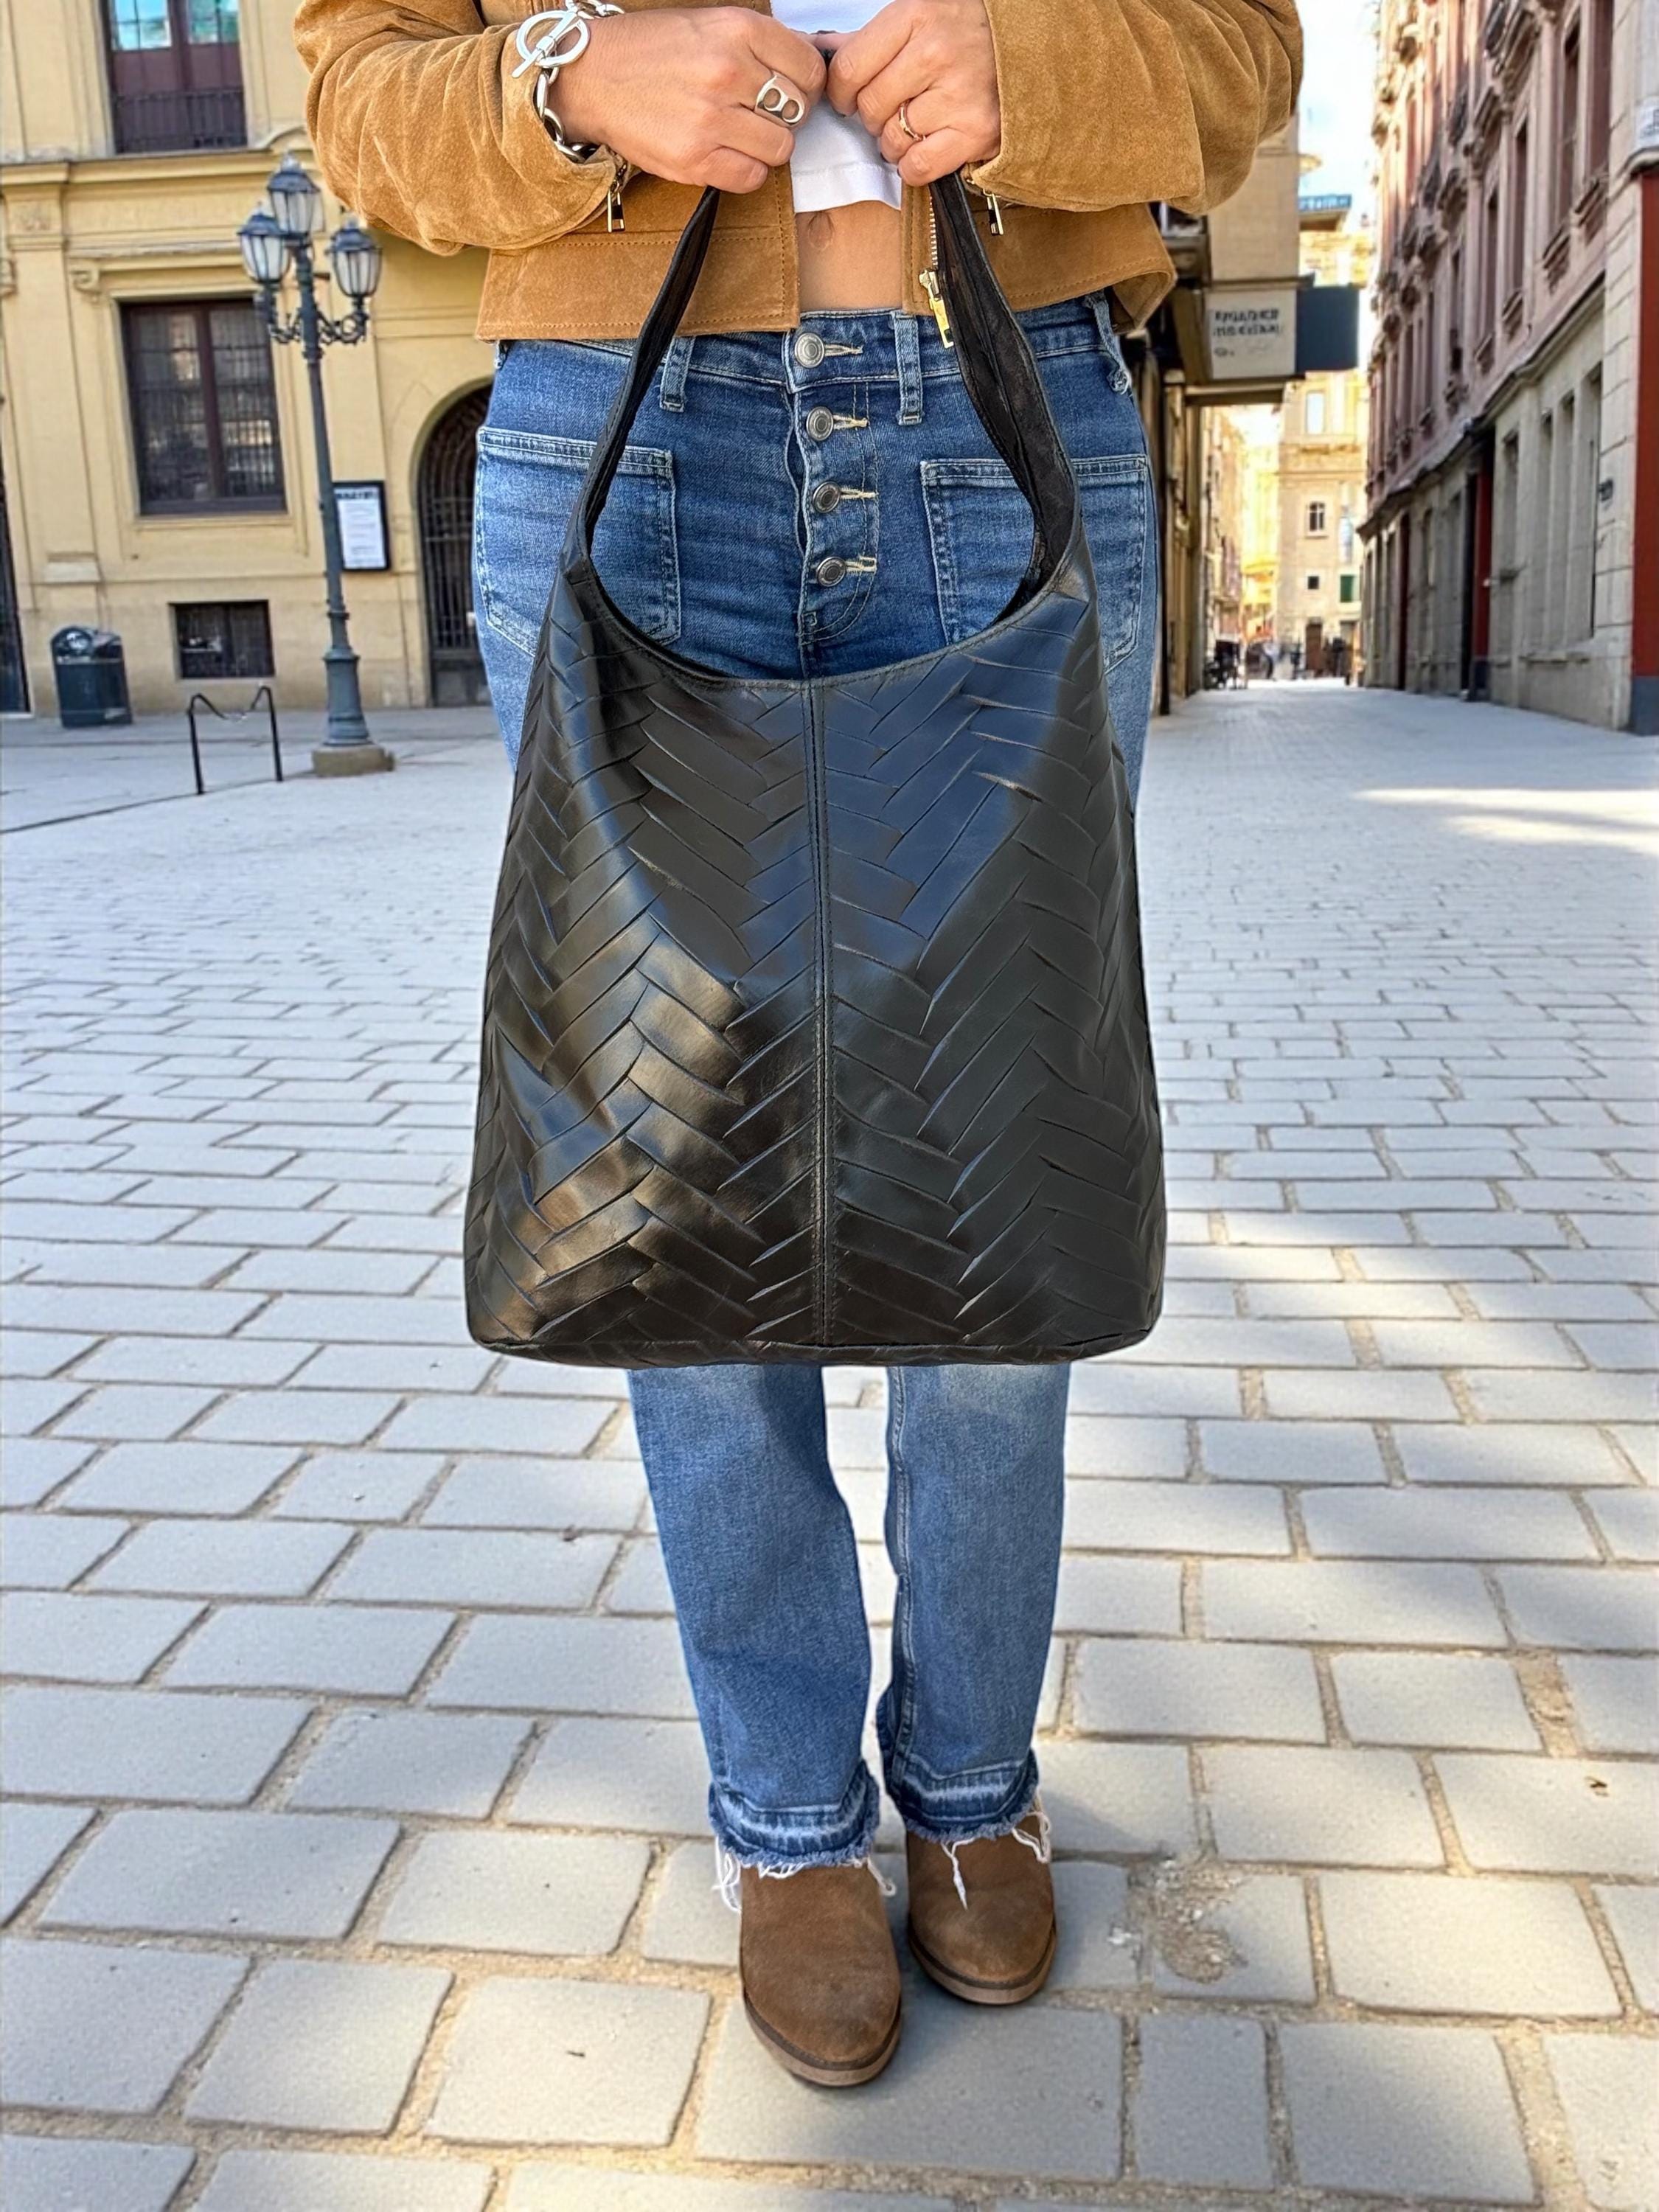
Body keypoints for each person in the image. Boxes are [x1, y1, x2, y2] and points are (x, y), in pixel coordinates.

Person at [298, 0, 1301, 2089]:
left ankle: (969, 1783)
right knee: (680, 1189)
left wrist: (1048, 71)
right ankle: (788, 1827)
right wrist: (559, 79)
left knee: (992, 1165)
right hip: (630, 434)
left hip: (1003, 398)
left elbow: (1237, 56)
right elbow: (361, 95)